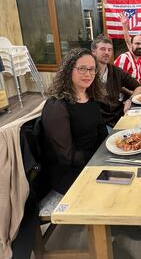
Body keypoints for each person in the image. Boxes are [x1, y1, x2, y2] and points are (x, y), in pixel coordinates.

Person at [41, 48, 108, 194]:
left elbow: (101, 132)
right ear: (68, 70)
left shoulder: (90, 95)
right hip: (71, 173)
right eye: (82, 69)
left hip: (95, 160)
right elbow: (67, 157)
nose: (88, 74)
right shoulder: (56, 106)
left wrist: (110, 153)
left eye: (92, 69)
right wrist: (100, 161)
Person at [91, 35, 141, 128]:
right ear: (93, 51)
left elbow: (139, 87)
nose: (107, 52)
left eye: (109, 49)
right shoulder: (88, 74)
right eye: (103, 49)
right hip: (100, 124)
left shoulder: (116, 71)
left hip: (119, 118)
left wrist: (130, 100)